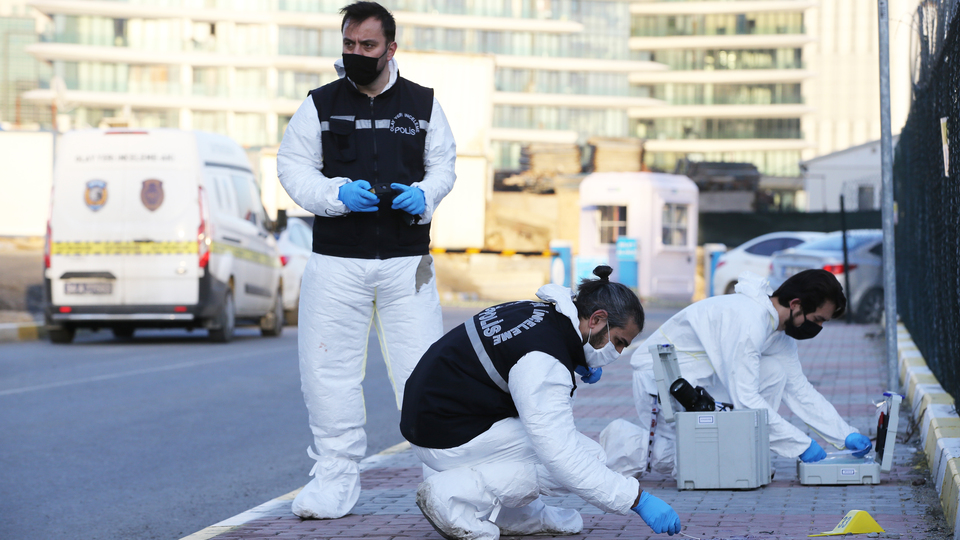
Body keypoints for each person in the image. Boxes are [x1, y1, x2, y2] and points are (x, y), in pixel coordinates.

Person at [277, 1, 456, 519]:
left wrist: (425, 196)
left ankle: (444, 478)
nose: (357, 54)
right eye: (349, 45)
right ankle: (334, 482)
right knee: (327, 372)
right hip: (337, 263)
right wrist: (334, 195)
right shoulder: (320, 104)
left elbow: (443, 165)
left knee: (423, 373)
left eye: (368, 46)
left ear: (391, 49)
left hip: (408, 266)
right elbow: (293, 167)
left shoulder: (422, 105)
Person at [400, 266, 683, 540]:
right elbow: (561, 456)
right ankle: (453, 496)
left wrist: (574, 360)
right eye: (618, 341)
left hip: (434, 417)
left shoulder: (541, 314)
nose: (617, 353)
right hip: (444, 434)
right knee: (581, 458)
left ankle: (514, 516)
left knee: (561, 449)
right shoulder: (544, 359)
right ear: (596, 319)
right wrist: (636, 499)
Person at [604, 269, 872, 479]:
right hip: (662, 387)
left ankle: (744, 451)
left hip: (698, 384)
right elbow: (746, 400)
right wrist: (801, 445)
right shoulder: (748, 321)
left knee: (776, 372)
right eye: (817, 320)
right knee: (700, 463)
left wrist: (843, 434)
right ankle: (618, 446)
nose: (818, 328)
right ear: (796, 304)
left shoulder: (777, 333)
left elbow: (799, 389)